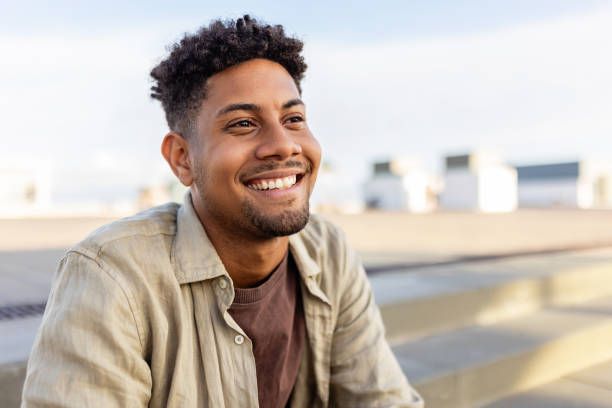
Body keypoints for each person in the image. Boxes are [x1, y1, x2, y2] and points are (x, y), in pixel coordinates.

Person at [21, 15, 424, 408]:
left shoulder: (328, 252)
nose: (283, 145)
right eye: (244, 124)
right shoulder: (113, 274)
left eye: (294, 118)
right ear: (182, 158)